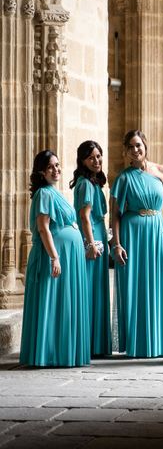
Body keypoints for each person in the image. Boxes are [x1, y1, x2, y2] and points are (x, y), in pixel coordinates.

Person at [110, 129, 163, 357]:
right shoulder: (123, 178)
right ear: (126, 151)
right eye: (131, 146)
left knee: (161, 282)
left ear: (145, 145)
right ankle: (140, 343)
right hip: (133, 234)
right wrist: (117, 245)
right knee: (136, 286)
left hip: (156, 232)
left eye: (138, 145)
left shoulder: (162, 171)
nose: (135, 150)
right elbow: (115, 216)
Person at [19, 149, 91, 367]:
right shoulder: (44, 194)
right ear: (41, 172)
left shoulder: (55, 192)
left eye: (57, 165)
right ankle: (48, 354)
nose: (56, 169)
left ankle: (62, 353)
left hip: (69, 256)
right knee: (52, 303)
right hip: (55, 256)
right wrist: (55, 257)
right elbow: (43, 228)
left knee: (64, 304)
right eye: (50, 166)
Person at [70, 140, 112, 357]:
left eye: (98, 156)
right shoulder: (85, 184)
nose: (96, 161)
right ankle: (87, 343)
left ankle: (94, 344)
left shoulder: (94, 183)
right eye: (91, 158)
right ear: (82, 161)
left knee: (96, 289)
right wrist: (91, 244)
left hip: (99, 237)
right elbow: (84, 217)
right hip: (92, 240)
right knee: (89, 290)